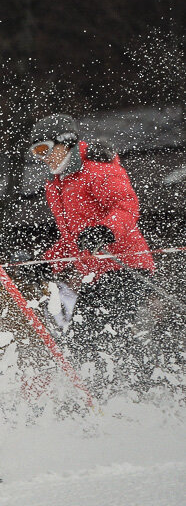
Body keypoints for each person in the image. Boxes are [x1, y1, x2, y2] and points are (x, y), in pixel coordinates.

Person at [28, 113, 155, 372]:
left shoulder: (96, 168)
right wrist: (50, 262)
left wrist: (105, 231)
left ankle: (131, 386)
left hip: (126, 267)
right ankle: (105, 391)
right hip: (98, 274)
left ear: (65, 142)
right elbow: (74, 238)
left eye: (44, 149)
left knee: (99, 337)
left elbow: (126, 207)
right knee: (82, 340)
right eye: (35, 153)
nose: (42, 158)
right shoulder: (57, 184)